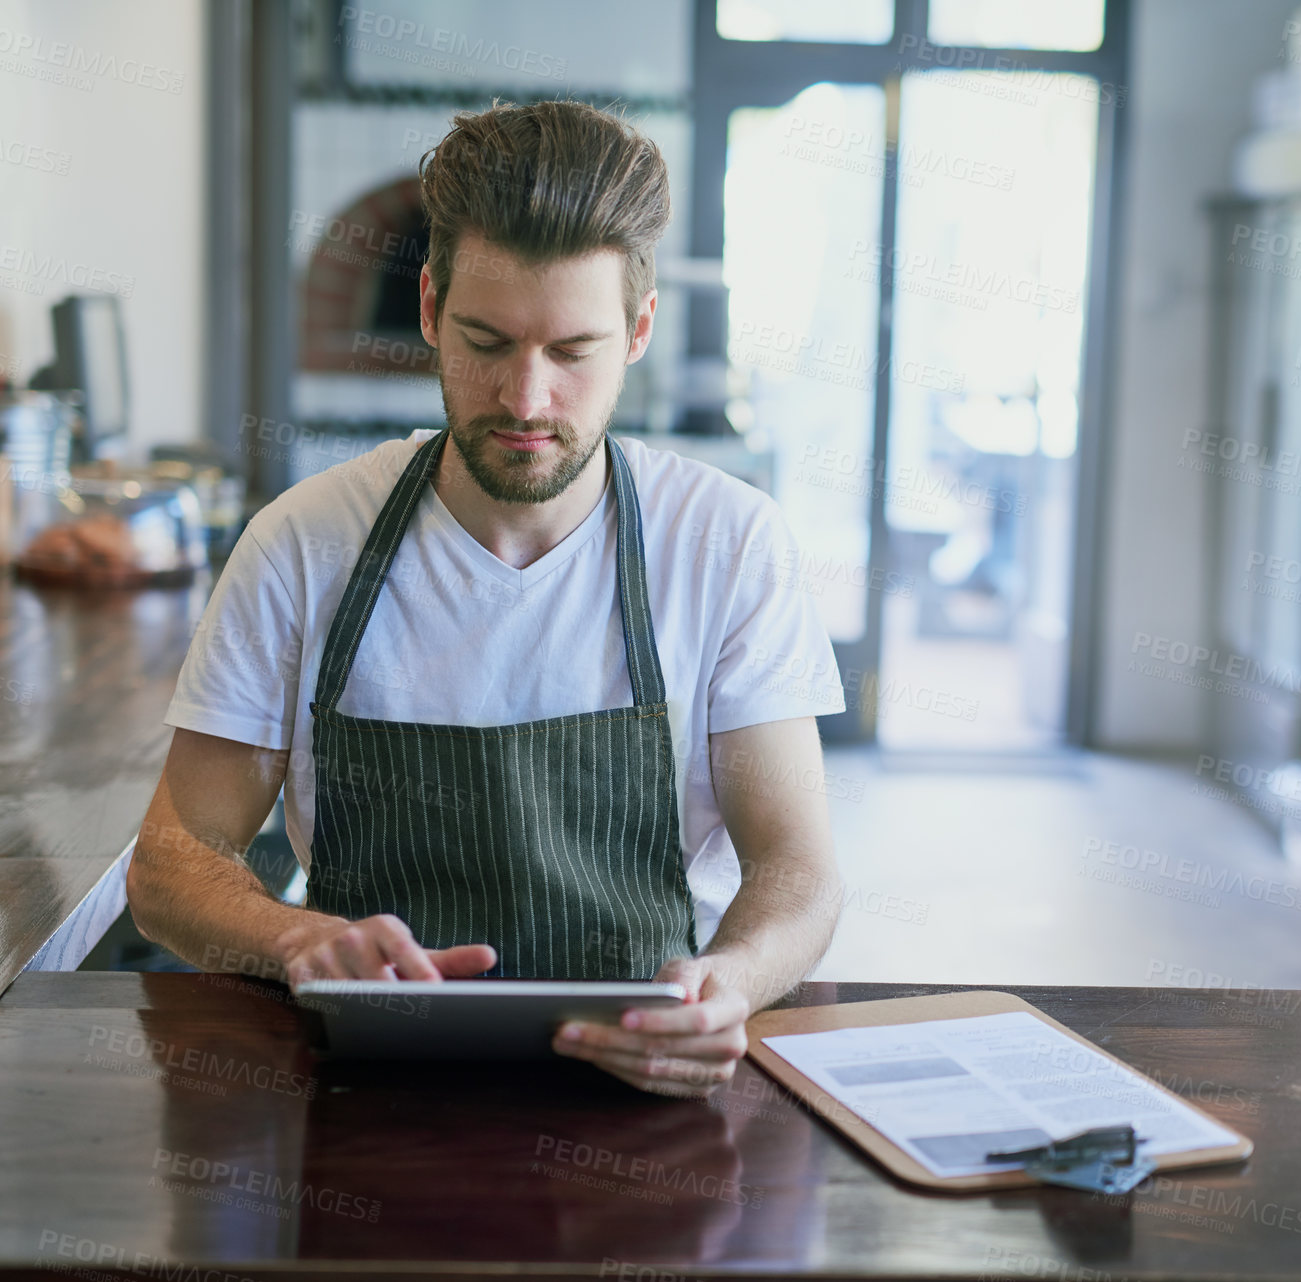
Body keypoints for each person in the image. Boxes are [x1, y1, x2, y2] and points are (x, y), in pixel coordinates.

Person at [127, 98, 847, 1098]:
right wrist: (295, 937)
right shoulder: (301, 545)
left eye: (570, 352)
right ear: (427, 309)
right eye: (487, 340)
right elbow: (171, 863)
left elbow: (797, 869)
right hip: (367, 1096)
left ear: (637, 330)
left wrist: (730, 984)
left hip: (649, 1086)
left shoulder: (726, 545)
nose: (524, 399)